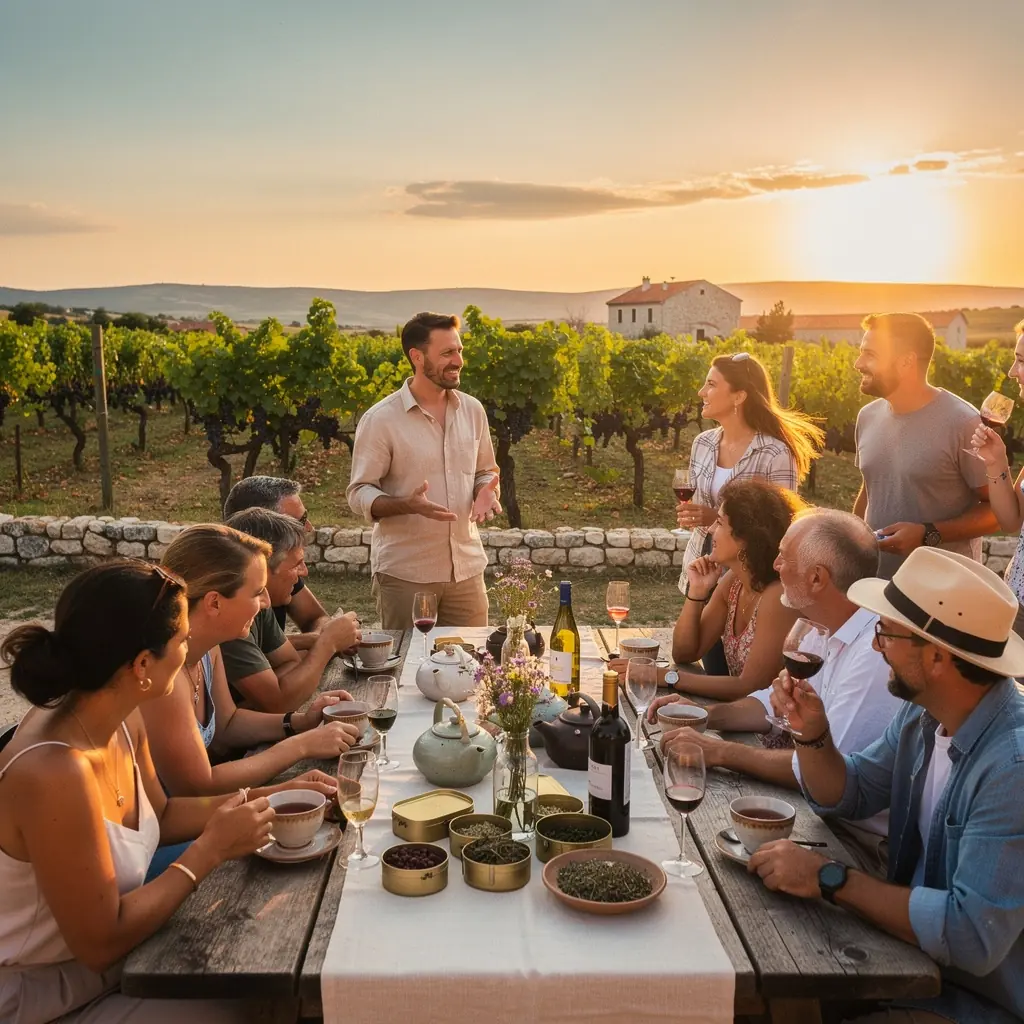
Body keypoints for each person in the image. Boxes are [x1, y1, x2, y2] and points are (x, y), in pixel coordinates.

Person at [0, 561, 286, 1022]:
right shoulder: (53, 773)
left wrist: (276, 796)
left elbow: (164, 814)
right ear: (142, 665)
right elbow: (99, 943)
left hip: (122, 964)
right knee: (258, 995)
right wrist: (209, 852)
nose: (191, 649)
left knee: (266, 954)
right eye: (182, 641)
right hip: (47, 997)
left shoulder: (121, 718)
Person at [755, 548, 1024, 1024]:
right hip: (906, 961)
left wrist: (826, 877)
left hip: (973, 1000)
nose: (877, 648)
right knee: (764, 983)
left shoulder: (1011, 768)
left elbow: (970, 936)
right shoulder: (925, 712)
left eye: (886, 633)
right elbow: (850, 791)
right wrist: (813, 735)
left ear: (938, 657)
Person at [651, 509, 900, 875]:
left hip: (858, 844)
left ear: (817, 578)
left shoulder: (873, 655)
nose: (776, 563)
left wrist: (719, 750)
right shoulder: (820, 629)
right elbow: (770, 700)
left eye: (785, 555)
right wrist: (704, 716)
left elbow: (824, 773)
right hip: (821, 819)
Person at [143, 524, 362, 800]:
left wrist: (300, 722)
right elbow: (198, 786)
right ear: (214, 603)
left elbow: (227, 725)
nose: (267, 602)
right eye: (257, 592)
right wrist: (301, 746)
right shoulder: (164, 673)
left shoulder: (208, 648)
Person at [347, 311, 501, 629]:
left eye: (459, 350)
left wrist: (486, 490)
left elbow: (485, 470)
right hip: (407, 575)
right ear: (417, 357)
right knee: (407, 670)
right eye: (446, 353)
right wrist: (406, 504)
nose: (457, 360)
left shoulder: (473, 411)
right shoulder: (381, 420)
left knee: (469, 669)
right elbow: (359, 491)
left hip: (467, 571)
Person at [674, 351, 823, 674]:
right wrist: (695, 518)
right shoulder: (702, 443)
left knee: (740, 669)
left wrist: (713, 516)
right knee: (708, 659)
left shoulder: (774, 452)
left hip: (748, 574)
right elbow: (699, 511)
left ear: (739, 395)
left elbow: (784, 525)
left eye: (711, 384)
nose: (701, 392)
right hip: (704, 563)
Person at [613, 480, 802, 701]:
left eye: (720, 523)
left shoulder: (778, 596)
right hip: (738, 719)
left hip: (769, 728)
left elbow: (749, 686)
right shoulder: (734, 581)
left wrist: (665, 676)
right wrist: (697, 592)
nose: (711, 529)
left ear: (747, 539)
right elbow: (684, 652)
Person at [853, 312, 996, 580]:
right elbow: (871, 486)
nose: (858, 363)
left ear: (906, 361)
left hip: (941, 595)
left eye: (870, 354)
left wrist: (927, 533)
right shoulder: (867, 416)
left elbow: (995, 510)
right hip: (875, 584)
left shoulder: (963, 423)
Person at [221, 508, 360, 712]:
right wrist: (327, 643)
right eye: (297, 564)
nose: (304, 571)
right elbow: (279, 702)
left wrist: (263, 697)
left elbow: (291, 663)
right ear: (264, 566)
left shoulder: (262, 603)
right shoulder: (231, 612)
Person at [222, 474, 333, 646]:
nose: (309, 527)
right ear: (264, 527)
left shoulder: (282, 569)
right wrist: (323, 641)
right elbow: (252, 649)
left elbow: (316, 618)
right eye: (299, 521)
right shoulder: (228, 592)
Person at [968, 318, 1024, 637]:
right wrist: (996, 462)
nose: (1012, 372)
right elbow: (1011, 519)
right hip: (1016, 604)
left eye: (1021, 361)